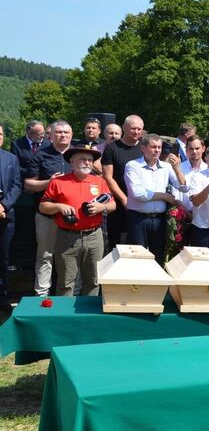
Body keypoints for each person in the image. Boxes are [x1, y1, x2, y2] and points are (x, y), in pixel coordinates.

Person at [39, 145, 116, 296]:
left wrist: (101, 207)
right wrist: (59, 206)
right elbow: (43, 206)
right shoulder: (58, 182)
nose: (87, 163)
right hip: (67, 236)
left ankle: (88, 311)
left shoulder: (99, 182)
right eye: (83, 159)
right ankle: (64, 311)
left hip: (94, 236)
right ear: (72, 162)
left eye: (90, 160)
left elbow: (113, 205)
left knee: (93, 280)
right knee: (66, 282)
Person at [24, 120, 74, 296]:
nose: (63, 135)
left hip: (73, 216)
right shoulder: (40, 155)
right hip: (47, 215)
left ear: (72, 135)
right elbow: (28, 184)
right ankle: (42, 294)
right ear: (50, 135)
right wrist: (50, 182)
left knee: (69, 256)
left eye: (66, 132)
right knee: (45, 255)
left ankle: (68, 295)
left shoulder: (79, 155)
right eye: (59, 132)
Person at [123, 134, 185, 265]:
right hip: (138, 219)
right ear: (143, 148)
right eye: (153, 147)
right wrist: (164, 196)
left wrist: (177, 168)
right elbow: (138, 193)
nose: (157, 150)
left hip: (159, 219)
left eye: (159, 147)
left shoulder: (166, 167)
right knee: (137, 258)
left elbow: (184, 188)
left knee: (158, 257)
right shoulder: (133, 165)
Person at [101, 115, 144, 250]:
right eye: (133, 128)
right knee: (115, 244)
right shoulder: (112, 148)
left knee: (136, 245)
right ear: (124, 127)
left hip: (140, 203)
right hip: (118, 203)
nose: (136, 132)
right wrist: (124, 199)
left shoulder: (144, 148)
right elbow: (108, 177)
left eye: (139, 129)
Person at [0, 125, 22, 309]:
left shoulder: (11, 158)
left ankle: (2, 296)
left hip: (5, 216)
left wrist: (3, 206)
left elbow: (16, 186)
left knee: (3, 259)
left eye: (0, 134)